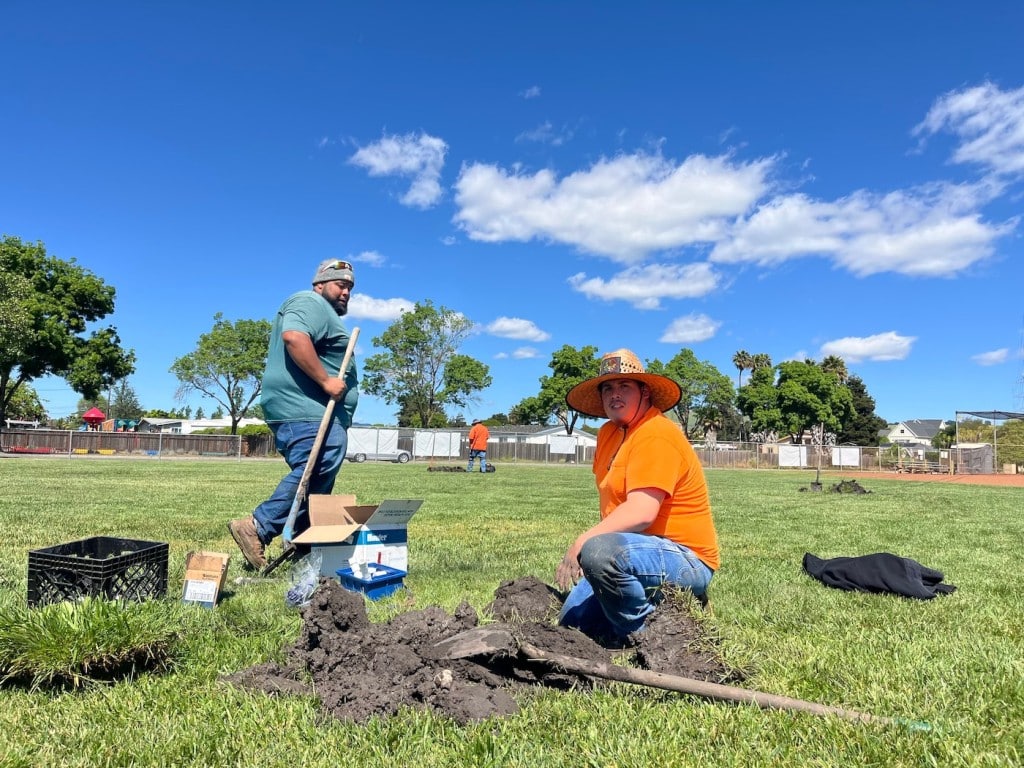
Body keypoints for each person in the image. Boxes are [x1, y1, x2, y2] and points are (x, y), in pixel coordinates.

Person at [556, 348, 719, 642]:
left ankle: (651, 638)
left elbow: (642, 512)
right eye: (607, 387)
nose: (614, 394)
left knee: (599, 553)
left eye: (624, 386)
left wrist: (582, 541)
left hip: (684, 557)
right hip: (637, 552)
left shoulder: (656, 433)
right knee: (572, 622)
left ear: (645, 392)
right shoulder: (608, 433)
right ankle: (653, 605)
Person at [228, 259, 359, 569]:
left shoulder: (322, 311)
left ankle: (303, 544)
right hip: (304, 407)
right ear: (320, 285)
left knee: (318, 477)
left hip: (311, 409)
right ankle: (258, 526)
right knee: (320, 460)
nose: (346, 292)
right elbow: (295, 338)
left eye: (350, 288)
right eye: (340, 285)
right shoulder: (309, 301)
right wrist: (327, 381)